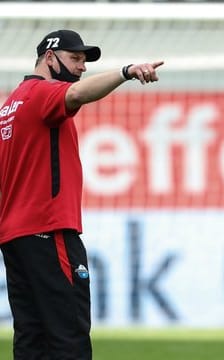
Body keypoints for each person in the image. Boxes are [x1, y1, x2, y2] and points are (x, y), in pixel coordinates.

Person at [0, 29, 163, 359]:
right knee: (68, 335)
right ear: (49, 58)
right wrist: (126, 72)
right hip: (48, 230)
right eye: (75, 58)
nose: (82, 67)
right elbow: (76, 95)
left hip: (15, 237)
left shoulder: (11, 104)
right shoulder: (42, 93)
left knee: (31, 338)